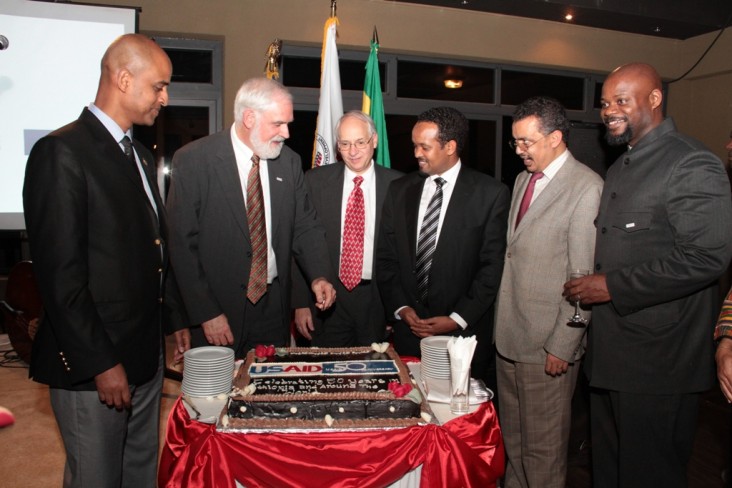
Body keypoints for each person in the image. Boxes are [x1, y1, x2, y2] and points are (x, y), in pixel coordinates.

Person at [23, 34, 189, 488]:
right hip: (96, 366)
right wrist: (100, 362)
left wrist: (172, 321)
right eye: (158, 86)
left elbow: (152, 250)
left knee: (139, 475)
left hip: (144, 358)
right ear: (122, 78)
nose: (165, 98)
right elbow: (61, 278)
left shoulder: (136, 153)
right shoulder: (62, 152)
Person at [564, 62, 732, 488]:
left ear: (654, 100)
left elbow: (707, 256)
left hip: (659, 364)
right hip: (611, 359)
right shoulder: (622, 164)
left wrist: (612, 286)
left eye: (622, 100)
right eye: (605, 103)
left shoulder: (691, 163)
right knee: (610, 472)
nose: (609, 111)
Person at [167, 77, 336, 355]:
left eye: (288, 123)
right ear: (249, 117)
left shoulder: (289, 162)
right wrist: (206, 312)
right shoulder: (195, 160)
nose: (287, 133)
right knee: (219, 395)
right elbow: (181, 245)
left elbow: (306, 226)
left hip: (273, 309)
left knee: (266, 391)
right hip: (217, 308)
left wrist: (319, 276)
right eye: (278, 123)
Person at [495, 96, 603, 488]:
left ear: (556, 137)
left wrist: (564, 343)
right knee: (516, 446)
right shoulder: (525, 179)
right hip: (510, 337)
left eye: (527, 142)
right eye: (516, 143)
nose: (519, 151)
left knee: (543, 455)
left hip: (547, 347)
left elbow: (583, 277)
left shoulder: (586, 187)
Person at [375, 106, 510, 388]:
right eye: (414, 145)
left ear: (450, 146)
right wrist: (401, 308)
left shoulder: (490, 194)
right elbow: (386, 257)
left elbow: (491, 267)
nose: (416, 154)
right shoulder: (399, 190)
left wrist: (457, 318)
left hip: (463, 336)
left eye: (424, 146)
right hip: (408, 333)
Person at [292, 111, 402, 346]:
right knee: (328, 375)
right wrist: (301, 302)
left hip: (377, 299)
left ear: (374, 141)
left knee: (374, 374)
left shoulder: (399, 186)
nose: (353, 152)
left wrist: (396, 306)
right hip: (327, 297)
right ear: (337, 145)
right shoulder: (314, 181)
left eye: (360, 142)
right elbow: (300, 242)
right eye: (345, 144)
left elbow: (402, 252)